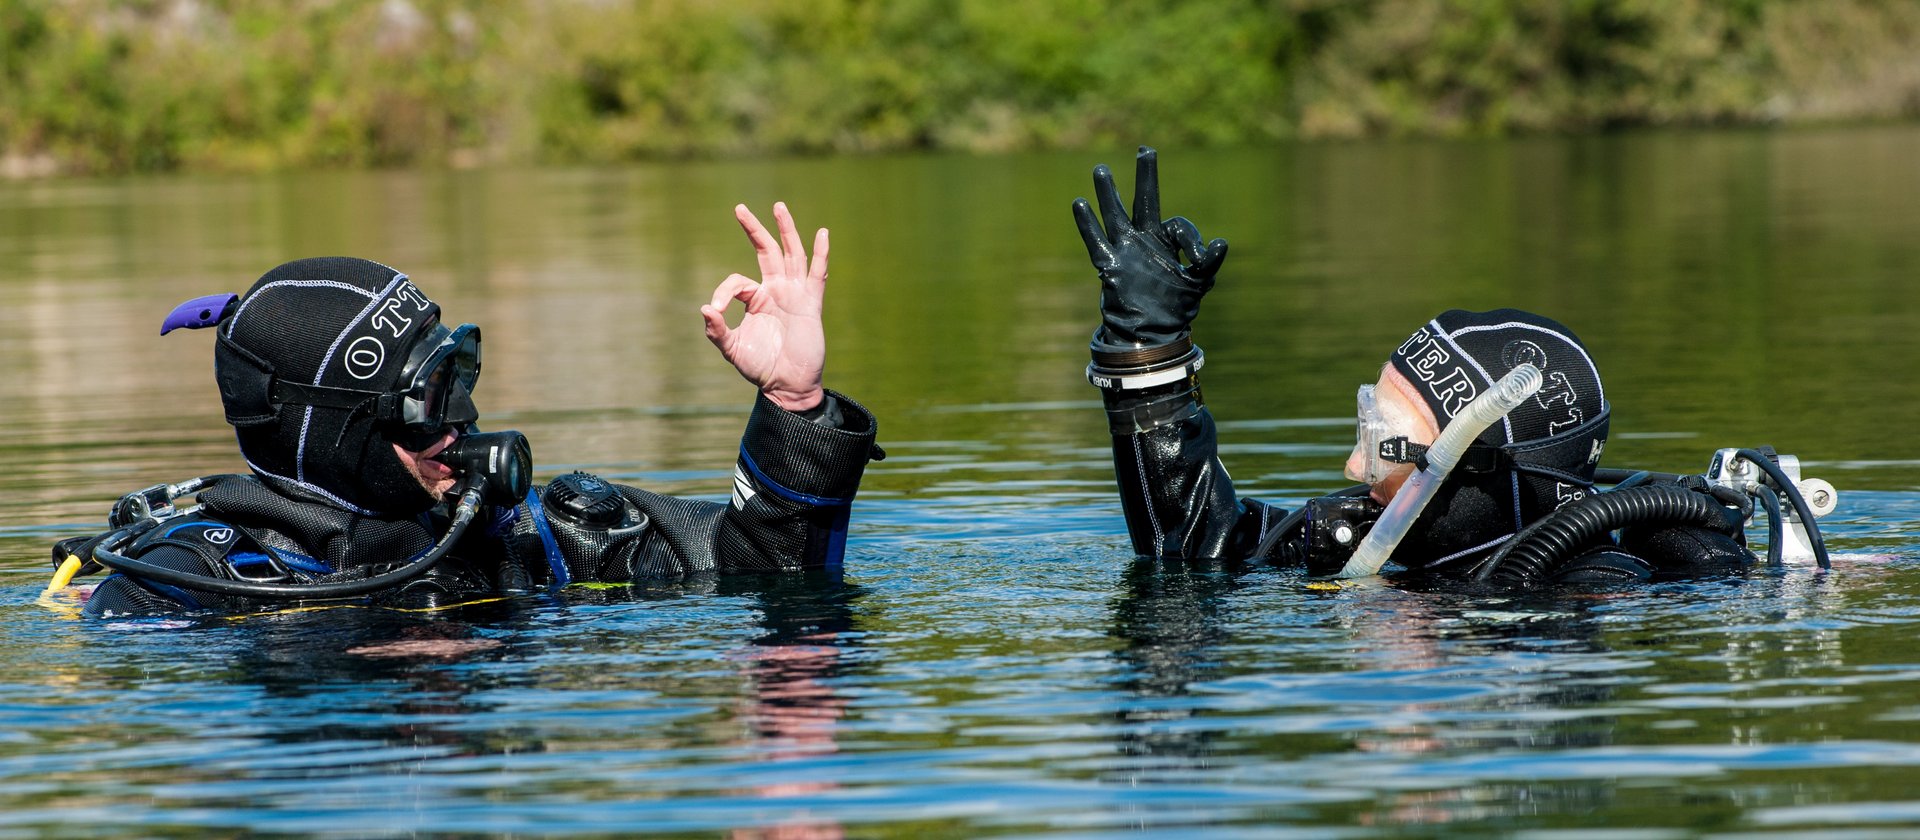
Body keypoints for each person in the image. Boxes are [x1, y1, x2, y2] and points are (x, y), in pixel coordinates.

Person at [54, 202, 881, 616]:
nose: (460, 419)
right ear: (334, 430)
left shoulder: (526, 531)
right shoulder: (191, 587)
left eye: (459, 373)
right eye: (424, 397)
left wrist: (792, 402)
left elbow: (773, 575)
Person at [1073, 147, 1762, 584]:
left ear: (1471, 463)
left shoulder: (1590, 587)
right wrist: (1147, 352)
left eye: (1381, 446)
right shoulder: (1368, 539)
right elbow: (1194, 543)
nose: (1352, 468)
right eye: (1365, 426)